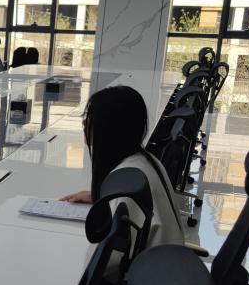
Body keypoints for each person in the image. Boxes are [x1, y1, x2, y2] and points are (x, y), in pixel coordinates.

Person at [60, 85, 184, 248]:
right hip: (164, 258)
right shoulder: (144, 161)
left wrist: (114, 198)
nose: (84, 123)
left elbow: (112, 255)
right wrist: (103, 199)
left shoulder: (126, 183)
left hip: (151, 263)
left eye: (92, 117)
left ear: (111, 128)